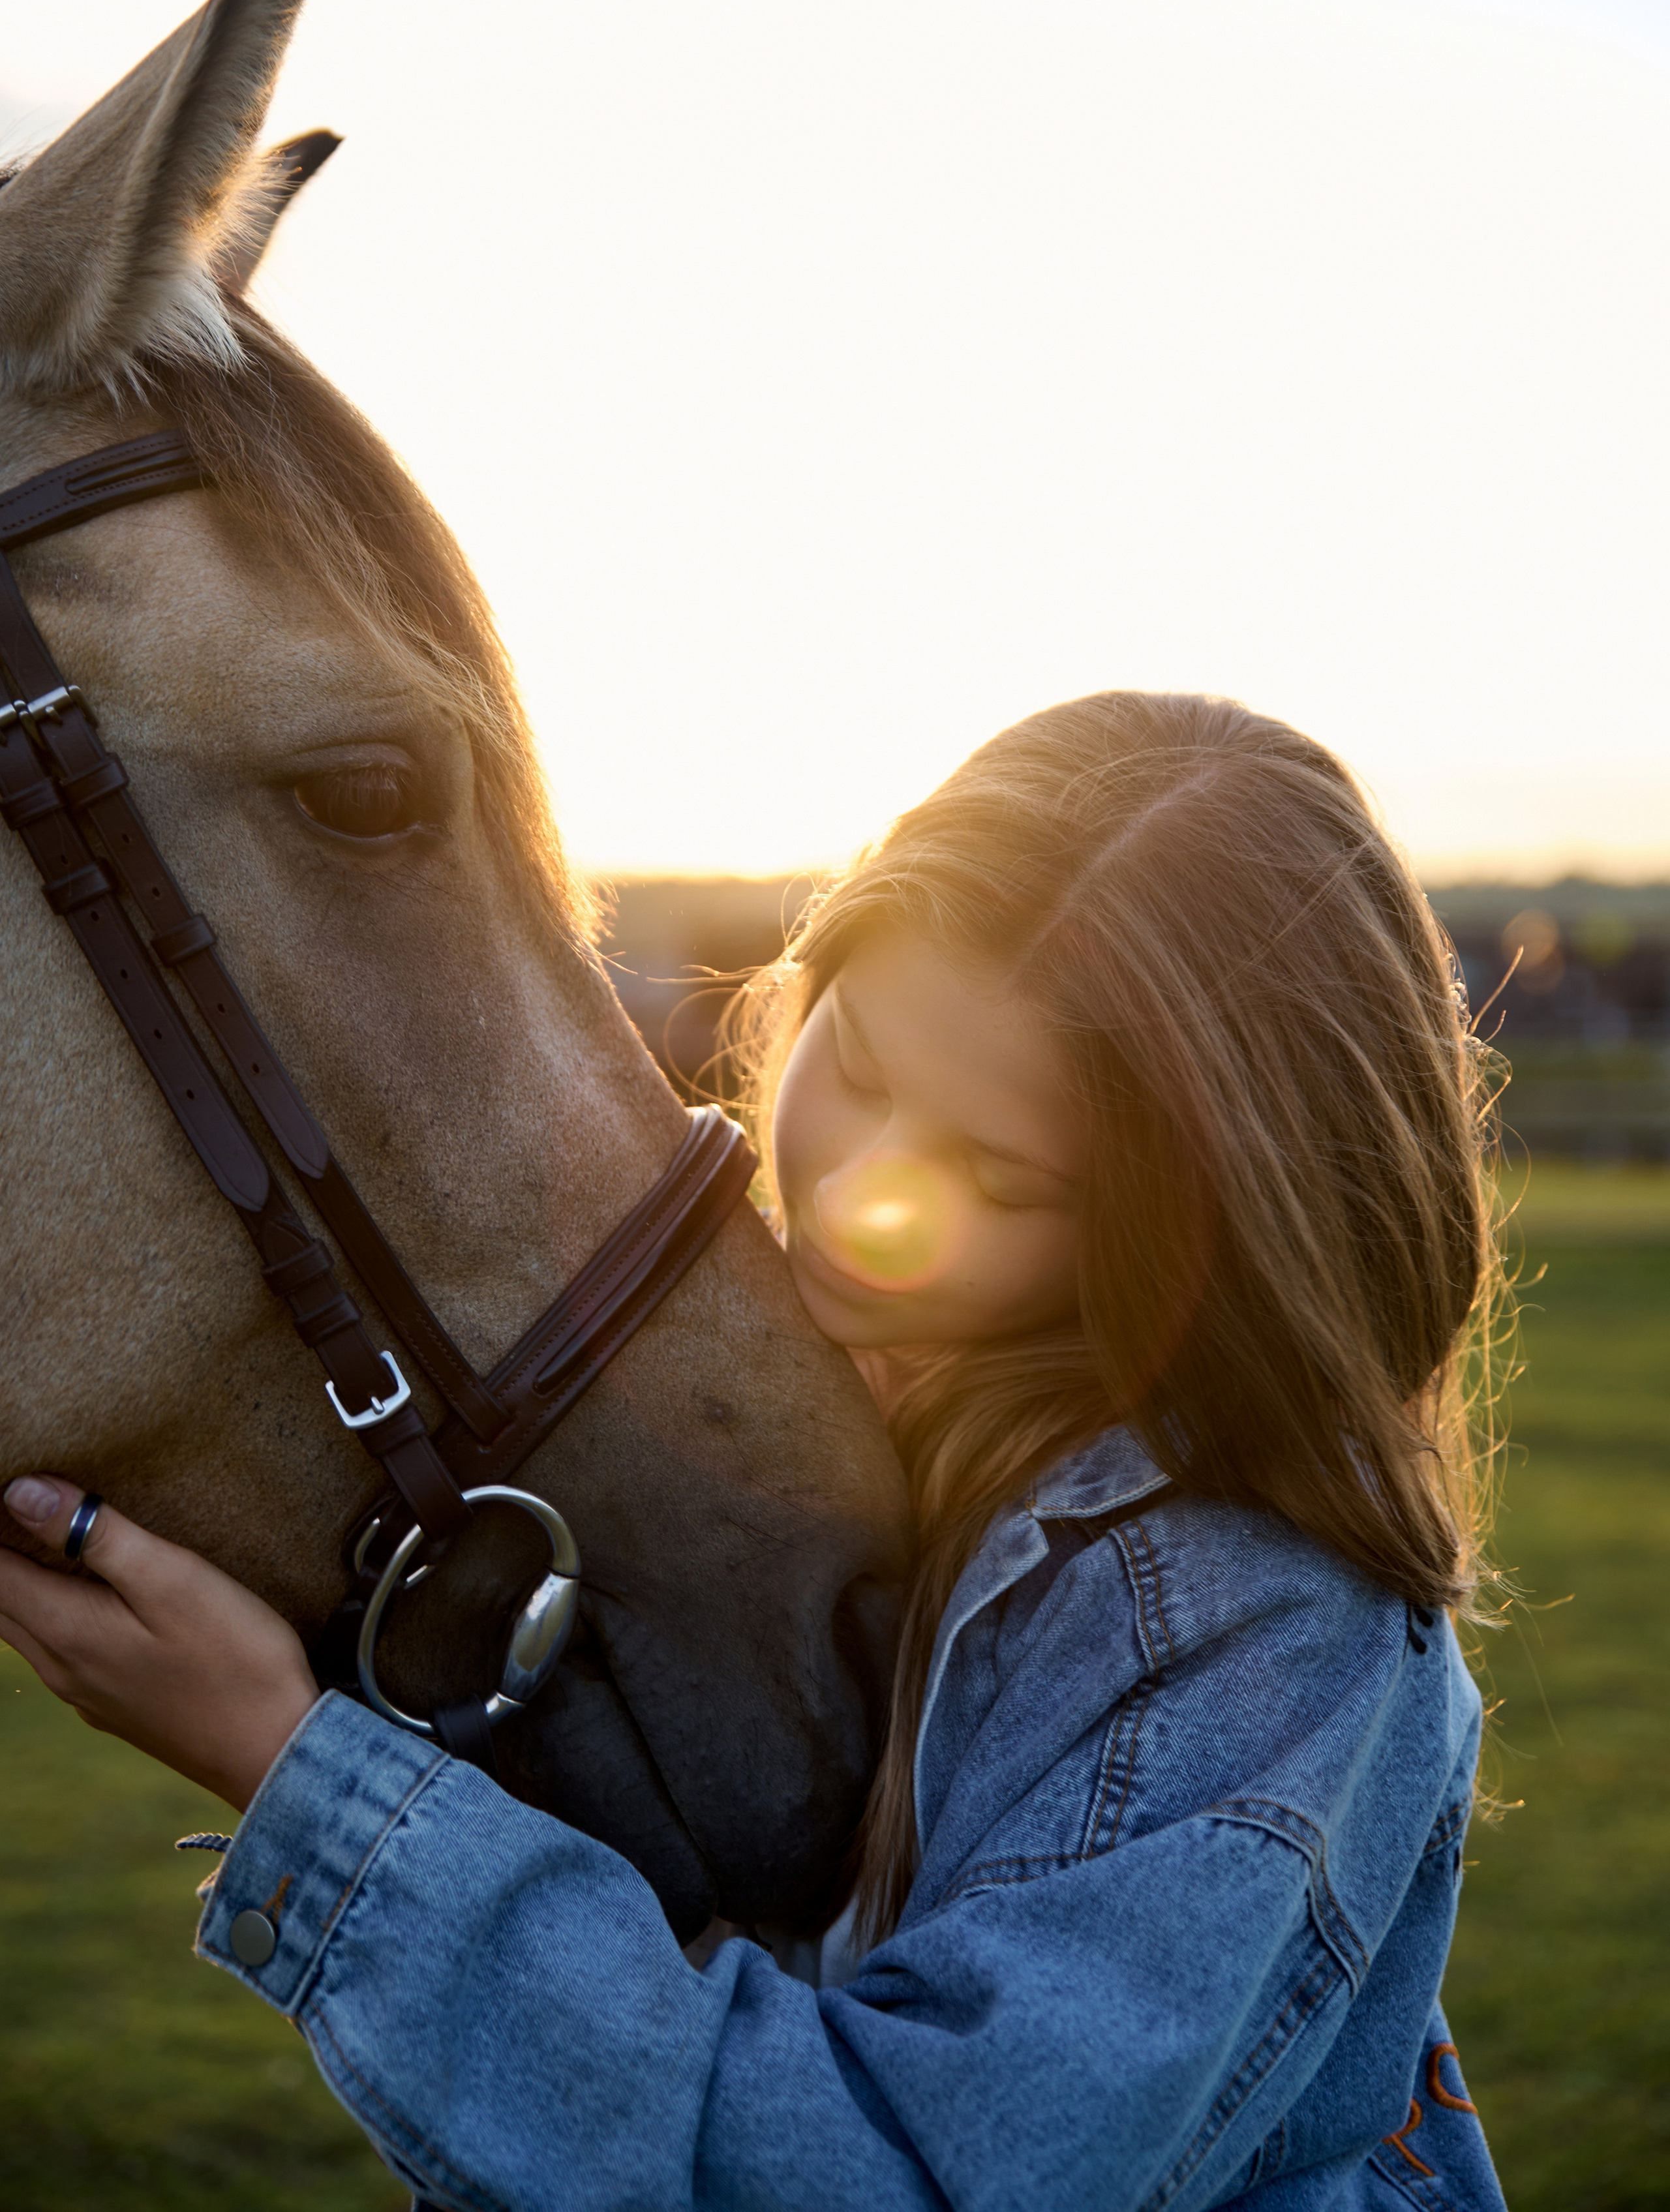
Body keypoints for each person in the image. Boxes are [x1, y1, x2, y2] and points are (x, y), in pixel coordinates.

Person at [0, 692, 1510, 2209]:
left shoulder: (1253, 1612)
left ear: (1208, 1223)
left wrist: (291, 1768)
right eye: (852, 1060)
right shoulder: (757, 1392)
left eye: (991, 1171)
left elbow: (905, 2175)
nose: (860, 1198)